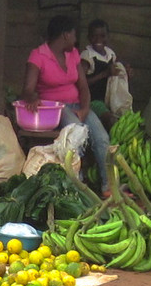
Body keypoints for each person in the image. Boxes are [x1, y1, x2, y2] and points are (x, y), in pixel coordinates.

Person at [24, 14, 112, 185]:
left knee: (102, 138)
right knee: (77, 134)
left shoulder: (73, 54)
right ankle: (76, 185)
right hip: (55, 109)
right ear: (65, 35)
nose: (75, 38)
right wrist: (33, 98)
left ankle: (108, 186)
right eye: (74, 34)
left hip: (78, 105)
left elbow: (84, 87)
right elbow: (27, 89)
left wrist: (85, 108)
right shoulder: (38, 55)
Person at [80, 19, 130, 118]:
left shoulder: (110, 54)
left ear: (108, 36)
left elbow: (116, 73)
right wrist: (104, 74)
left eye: (102, 36)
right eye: (94, 36)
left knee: (124, 116)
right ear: (89, 37)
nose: (98, 40)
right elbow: (82, 82)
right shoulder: (87, 56)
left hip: (110, 99)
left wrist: (125, 73)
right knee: (109, 119)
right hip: (93, 100)